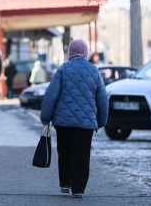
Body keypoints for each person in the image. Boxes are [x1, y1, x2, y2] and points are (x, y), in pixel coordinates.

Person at [40, 39, 108, 199]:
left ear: (70, 53)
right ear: (85, 53)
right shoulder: (94, 71)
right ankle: (78, 189)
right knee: (82, 153)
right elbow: (102, 99)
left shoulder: (63, 69)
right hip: (86, 123)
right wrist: (101, 121)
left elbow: (51, 95)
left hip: (63, 122)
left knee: (65, 151)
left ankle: (65, 183)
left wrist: (46, 118)